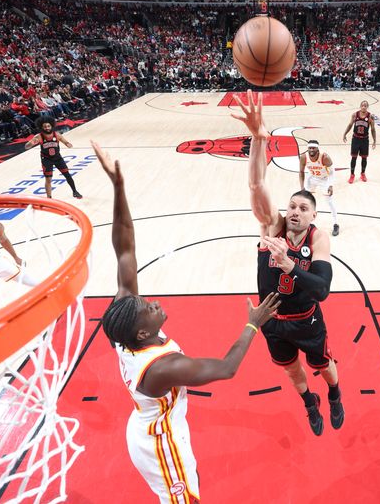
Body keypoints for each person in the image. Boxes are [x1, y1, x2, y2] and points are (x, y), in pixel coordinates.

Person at [91, 140, 280, 503]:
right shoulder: (162, 367)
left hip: (153, 423)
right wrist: (253, 323)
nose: (154, 303)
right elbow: (226, 369)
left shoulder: (127, 328)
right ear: (144, 331)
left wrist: (118, 187)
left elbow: (125, 247)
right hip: (158, 441)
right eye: (149, 308)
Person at [233, 90, 345, 436]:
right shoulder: (271, 227)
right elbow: (256, 183)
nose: (295, 212)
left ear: (312, 215)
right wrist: (258, 139)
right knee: (292, 372)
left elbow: (322, 289)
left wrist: (290, 267)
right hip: (272, 320)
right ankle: (310, 403)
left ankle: (334, 393)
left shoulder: (318, 238)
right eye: (292, 206)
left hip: (307, 318)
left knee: (323, 365)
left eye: (303, 209)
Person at [24, 117, 82, 199]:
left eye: (48, 126)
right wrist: (30, 144)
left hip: (58, 158)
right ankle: (49, 198)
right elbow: (26, 147)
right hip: (46, 159)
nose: (47, 128)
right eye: (45, 127)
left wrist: (68, 144)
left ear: (51, 126)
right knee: (48, 179)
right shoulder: (39, 136)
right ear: (41, 127)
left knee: (67, 175)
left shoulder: (57, 134)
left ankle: (75, 191)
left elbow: (66, 142)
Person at [299, 140, 339, 236]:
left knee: (329, 201)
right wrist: (302, 187)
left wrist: (330, 185)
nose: (311, 150)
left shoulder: (325, 157)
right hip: (312, 178)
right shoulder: (304, 157)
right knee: (306, 200)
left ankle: (336, 224)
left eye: (313, 148)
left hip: (325, 179)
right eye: (310, 148)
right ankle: (304, 223)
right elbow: (301, 172)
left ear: (317, 149)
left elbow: (332, 172)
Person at [342, 100, 376, 183]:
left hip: (364, 139)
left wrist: (374, 140)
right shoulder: (355, 115)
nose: (363, 107)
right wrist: (345, 134)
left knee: (364, 158)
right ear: (360, 106)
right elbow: (350, 125)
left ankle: (363, 173)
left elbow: (373, 129)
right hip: (356, 139)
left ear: (367, 107)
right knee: (354, 157)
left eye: (365, 105)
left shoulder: (370, 116)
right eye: (362, 105)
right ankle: (352, 175)